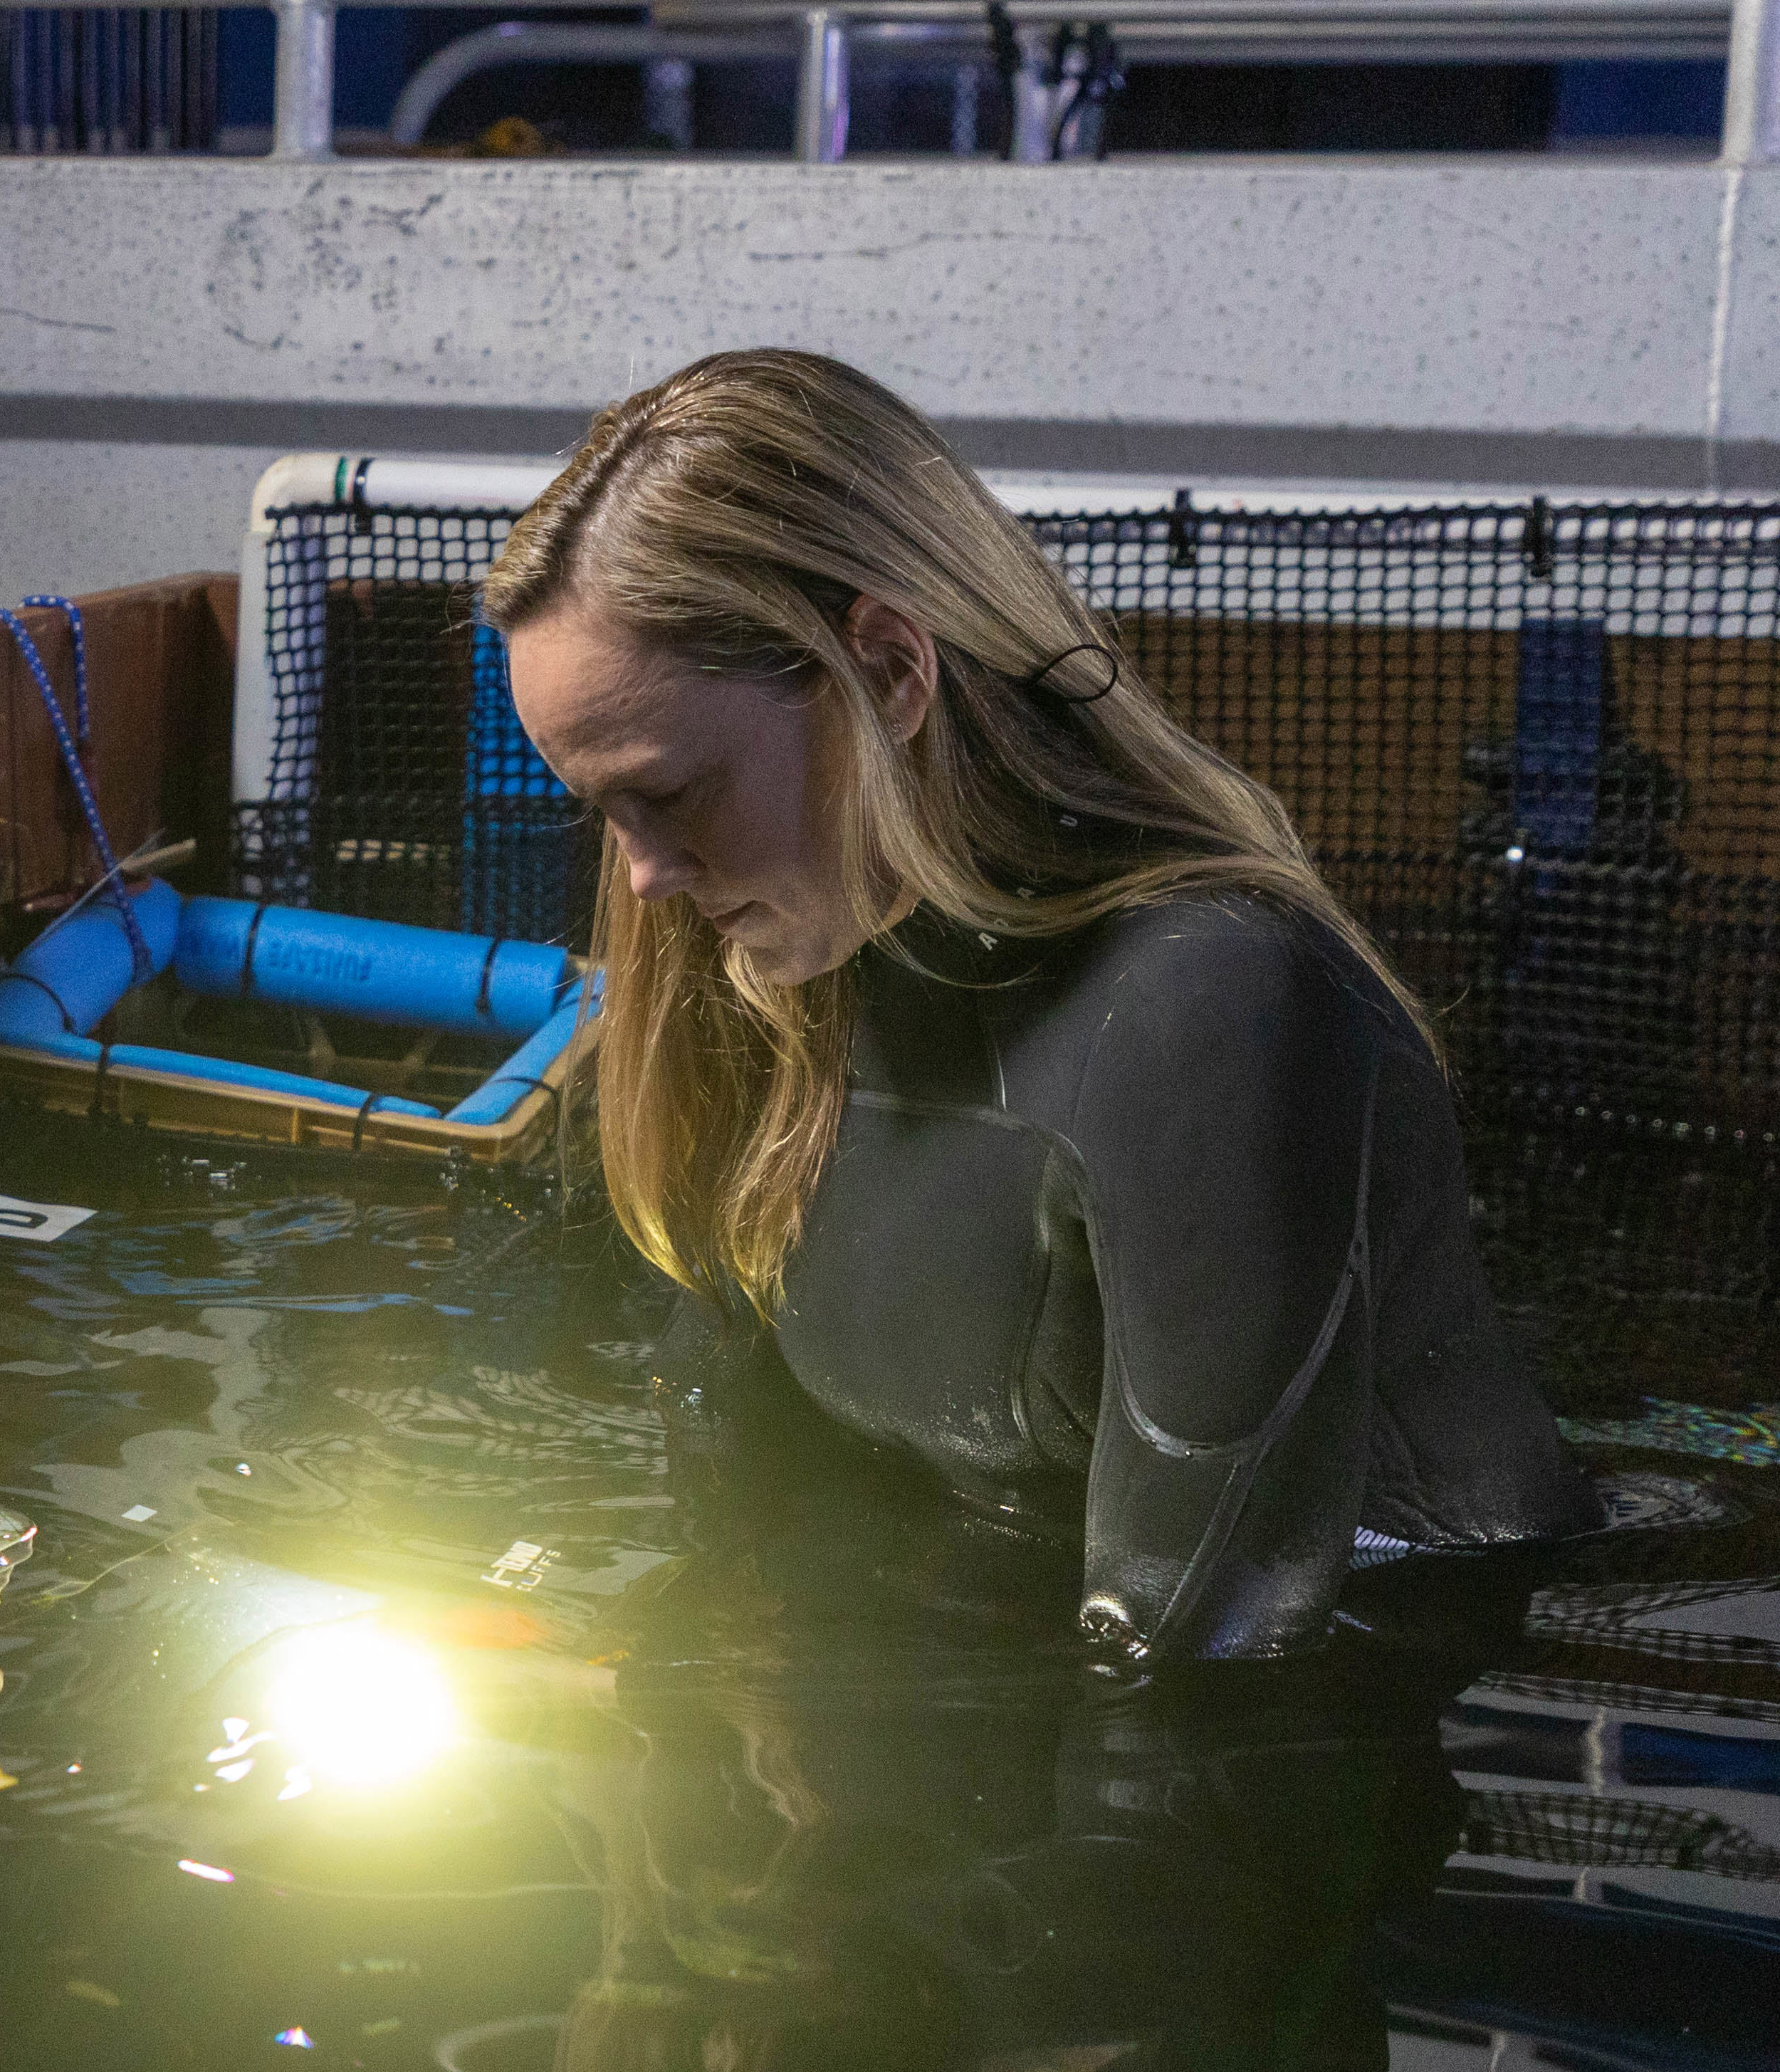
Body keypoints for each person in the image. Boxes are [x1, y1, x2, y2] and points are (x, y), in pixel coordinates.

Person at [488, 350, 1601, 1663]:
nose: (645, 881)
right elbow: (727, 1506)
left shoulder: (1213, 999)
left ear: (892, 673)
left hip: (1351, 1687)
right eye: (599, 809)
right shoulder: (771, 965)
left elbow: (1198, 1662)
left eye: (672, 793)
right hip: (997, 1662)